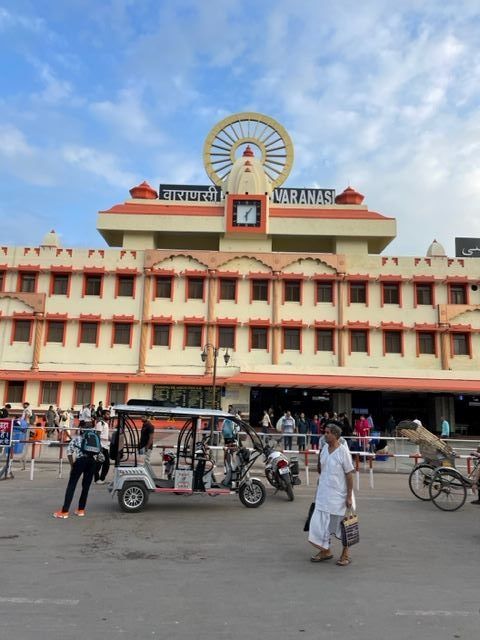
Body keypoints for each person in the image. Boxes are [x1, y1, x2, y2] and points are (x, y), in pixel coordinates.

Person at [308, 423, 355, 566]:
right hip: (323, 495)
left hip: (339, 496)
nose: (325, 435)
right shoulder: (323, 450)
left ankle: (345, 553)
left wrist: (349, 496)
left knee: (345, 525)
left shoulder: (343, 452)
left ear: (335, 435)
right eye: (325, 432)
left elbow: (349, 475)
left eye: (328, 432)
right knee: (320, 525)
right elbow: (321, 472)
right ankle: (325, 550)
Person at [53, 428, 98, 518]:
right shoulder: (94, 439)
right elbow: (101, 457)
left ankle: (64, 511)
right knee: (86, 487)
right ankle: (81, 510)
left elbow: (69, 452)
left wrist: (72, 465)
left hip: (80, 461)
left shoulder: (76, 439)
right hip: (91, 462)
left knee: (72, 485)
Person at [94, 412, 110, 484]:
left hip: (105, 446)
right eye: (107, 414)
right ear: (103, 415)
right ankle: (97, 479)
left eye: (109, 414)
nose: (108, 415)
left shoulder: (106, 424)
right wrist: (99, 447)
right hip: (101, 446)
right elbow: (97, 435)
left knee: (105, 464)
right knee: (100, 463)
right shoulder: (100, 423)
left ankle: (101, 479)